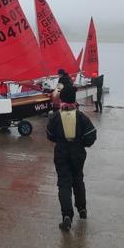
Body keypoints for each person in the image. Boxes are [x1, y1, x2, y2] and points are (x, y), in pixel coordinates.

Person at [46, 84, 97, 231]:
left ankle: (67, 216)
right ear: (74, 99)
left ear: (61, 99)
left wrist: (60, 140)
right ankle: (82, 209)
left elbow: (50, 135)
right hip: (78, 153)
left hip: (61, 153)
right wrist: (82, 144)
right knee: (78, 180)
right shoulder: (81, 117)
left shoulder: (55, 117)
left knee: (64, 184)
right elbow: (91, 136)